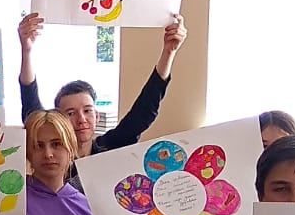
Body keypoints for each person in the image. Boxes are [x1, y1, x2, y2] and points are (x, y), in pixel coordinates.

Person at [17, 12, 188, 188]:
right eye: (71, 113)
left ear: (97, 116)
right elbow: (31, 105)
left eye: (87, 111)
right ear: (60, 120)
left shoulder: (108, 148)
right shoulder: (53, 157)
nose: (81, 119)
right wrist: (26, 51)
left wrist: (169, 52)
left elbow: (143, 113)